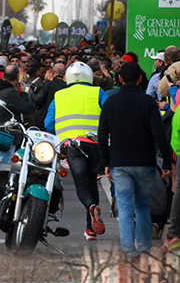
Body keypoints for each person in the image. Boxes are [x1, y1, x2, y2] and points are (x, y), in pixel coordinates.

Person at [98, 61, 173, 255]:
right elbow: (158, 133)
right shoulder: (148, 102)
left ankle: (129, 251)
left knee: (124, 207)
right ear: (140, 78)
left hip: (120, 162)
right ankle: (145, 248)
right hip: (145, 162)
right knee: (142, 207)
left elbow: (102, 135)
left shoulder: (110, 102)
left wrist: (106, 163)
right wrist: (165, 161)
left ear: (120, 79)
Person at [45, 61, 109, 241]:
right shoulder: (98, 92)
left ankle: (90, 207)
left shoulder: (59, 96)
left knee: (82, 185)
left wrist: (62, 136)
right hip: (95, 144)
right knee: (92, 183)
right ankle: (91, 228)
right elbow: (109, 111)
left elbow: (48, 123)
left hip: (72, 146)